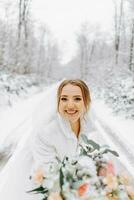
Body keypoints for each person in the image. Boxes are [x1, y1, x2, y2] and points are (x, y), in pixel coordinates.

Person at [0, 79, 133, 199]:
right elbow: (48, 175)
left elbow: (97, 157)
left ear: (86, 102)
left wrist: (102, 173)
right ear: (57, 102)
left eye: (77, 99)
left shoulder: (90, 127)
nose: (70, 105)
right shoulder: (45, 134)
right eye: (64, 99)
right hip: (46, 189)